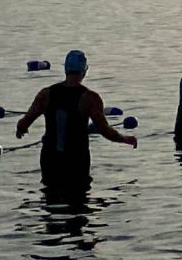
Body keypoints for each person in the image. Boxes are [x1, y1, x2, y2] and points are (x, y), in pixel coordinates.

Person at [16, 49, 137, 189]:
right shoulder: (90, 98)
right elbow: (104, 130)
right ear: (84, 71)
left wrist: (21, 130)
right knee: (79, 201)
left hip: (50, 159)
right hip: (76, 159)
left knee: (50, 197)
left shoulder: (46, 94)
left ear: (65, 69)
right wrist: (125, 139)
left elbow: (25, 122)